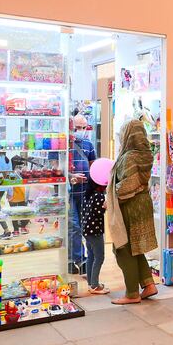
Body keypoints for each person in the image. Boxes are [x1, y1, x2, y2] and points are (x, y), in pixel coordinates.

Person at [107, 120, 158, 305]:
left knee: (122, 247)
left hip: (130, 206)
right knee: (135, 247)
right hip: (143, 203)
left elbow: (128, 185)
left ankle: (131, 293)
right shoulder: (146, 154)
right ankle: (148, 284)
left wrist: (110, 195)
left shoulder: (129, 156)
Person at [69, 114, 97, 274]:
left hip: (85, 192)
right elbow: (56, 168)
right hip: (69, 193)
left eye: (83, 127)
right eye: (77, 128)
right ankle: (78, 259)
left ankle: (78, 259)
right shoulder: (63, 144)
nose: (80, 131)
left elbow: (94, 166)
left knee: (85, 226)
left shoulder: (88, 144)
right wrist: (71, 177)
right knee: (73, 226)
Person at [83, 165, 108, 295]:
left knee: (91, 256)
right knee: (99, 257)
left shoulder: (88, 194)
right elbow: (99, 212)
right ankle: (95, 285)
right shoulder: (98, 196)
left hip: (87, 230)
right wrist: (106, 205)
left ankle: (91, 283)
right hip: (95, 231)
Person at [9, 156, 29, 237]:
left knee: (14, 213)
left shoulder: (11, 173)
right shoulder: (22, 172)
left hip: (13, 196)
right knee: (23, 212)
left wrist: (9, 194)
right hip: (21, 195)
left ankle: (16, 230)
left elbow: (10, 185)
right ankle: (23, 228)